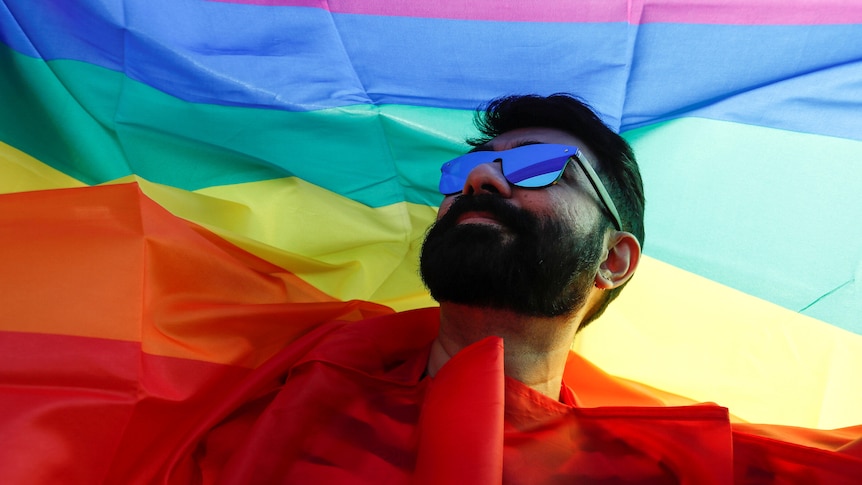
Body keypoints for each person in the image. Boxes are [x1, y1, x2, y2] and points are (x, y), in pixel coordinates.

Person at [196, 94, 861, 484]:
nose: (480, 181)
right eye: (463, 171)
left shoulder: (672, 465)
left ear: (616, 259)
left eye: (538, 167)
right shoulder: (278, 372)